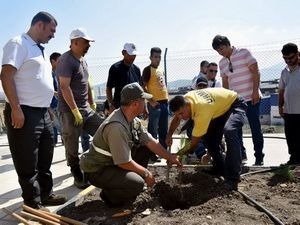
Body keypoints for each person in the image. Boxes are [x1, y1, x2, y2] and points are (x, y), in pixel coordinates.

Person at [1, 11, 67, 209]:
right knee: (27, 162)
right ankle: (33, 203)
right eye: (51, 30)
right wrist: (16, 109)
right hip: (24, 113)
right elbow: (6, 76)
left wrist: (47, 106)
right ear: (39, 25)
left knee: (45, 159)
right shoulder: (18, 43)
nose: (53, 35)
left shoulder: (38, 49)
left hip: (42, 112)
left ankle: (46, 194)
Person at [80, 83, 181, 207]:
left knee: (145, 148)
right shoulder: (116, 127)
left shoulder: (131, 119)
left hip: (112, 162)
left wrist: (169, 157)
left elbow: (150, 142)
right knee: (137, 183)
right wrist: (146, 174)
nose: (146, 103)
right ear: (135, 104)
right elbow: (124, 162)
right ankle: (110, 196)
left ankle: (126, 183)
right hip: (98, 170)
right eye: (144, 100)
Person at [167, 88, 247, 190]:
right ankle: (219, 168)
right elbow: (177, 118)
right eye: (177, 114)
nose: (180, 117)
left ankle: (233, 177)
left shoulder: (201, 111)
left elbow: (194, 143)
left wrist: (178, 154)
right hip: (218, 109)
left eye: (182, 113)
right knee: (209, 139)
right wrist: (169, 135)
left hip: (235, 104)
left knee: (229, 130)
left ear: (187, 105)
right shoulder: (186, 99)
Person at [56, 28, 103, 189]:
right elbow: (64, 87)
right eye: (85, 42)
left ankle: (95, 163)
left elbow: (87, 83)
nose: (88, 45)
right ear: (75, 42)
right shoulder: (65, 60)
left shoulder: (82, 60)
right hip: (70, 111)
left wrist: (91, 102)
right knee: (72, 144)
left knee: (104, 130)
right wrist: (75, 110)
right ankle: (76, 172)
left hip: (86, 109)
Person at [212, 35, 264, 165]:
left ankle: (259, 157)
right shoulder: (222, 62)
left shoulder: (244, 53)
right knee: (235, 130)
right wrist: (226, 101)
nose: (220, 52)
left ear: (228, 44)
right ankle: (241, 155)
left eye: (222, 49)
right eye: (218, 51)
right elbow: (225, 83)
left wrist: (255, 91)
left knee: (255, 128)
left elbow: (255, 72)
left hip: (251, 98)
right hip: (235, 102)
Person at [142, 47, 169, 162]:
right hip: (155, 104)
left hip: (164, 103)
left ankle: (162, 151)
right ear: (151, 57)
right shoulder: (148, 70)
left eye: (159, 57)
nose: (157, 59)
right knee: (153, 130)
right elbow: (143, 88)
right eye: (155, 57)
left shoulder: (160, 70)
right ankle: (152, 154)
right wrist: (151, 102)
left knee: (163, 129)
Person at [279, 43, 300, 165]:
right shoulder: (285, 71)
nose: (288, 61)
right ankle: (293, 160)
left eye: (291, 58)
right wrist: (280, 106)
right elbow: (281, 89)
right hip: (289, 111)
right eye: (285, 58)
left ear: (297, 54)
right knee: (291, 137)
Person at [106, 43, 142, 113]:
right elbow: (109, 88)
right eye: (130, 54)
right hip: (120, 108)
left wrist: (142, 106)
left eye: (134, 55)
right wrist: (111, 105)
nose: (133, 57)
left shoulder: (137, 70)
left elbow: (140, 89)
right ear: (123, 53)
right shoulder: (115, 68)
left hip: (134, 107)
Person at [49, 52, 61, 145]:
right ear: (53, 61)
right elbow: (49, 89)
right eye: (59, 60)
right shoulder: (49, 74)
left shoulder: (57, 73)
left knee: (59, 126)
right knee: (60, 126)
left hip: (58, 103)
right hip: (52, 104)